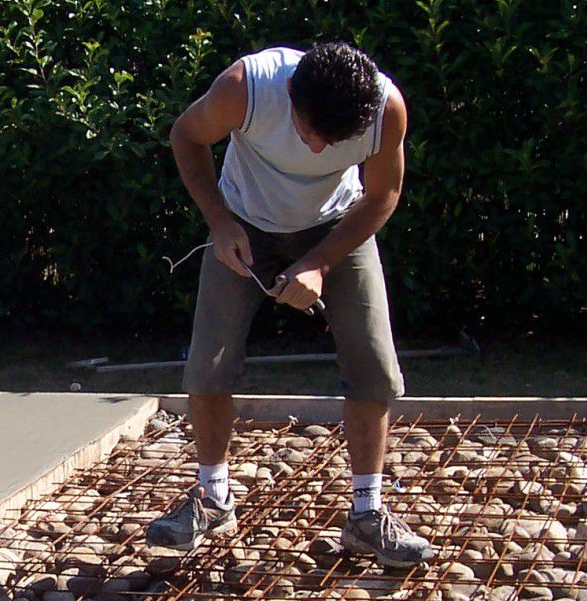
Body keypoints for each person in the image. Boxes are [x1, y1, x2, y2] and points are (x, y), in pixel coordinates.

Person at [145, 41, 433, 568]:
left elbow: (383, 193)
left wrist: (321, 264)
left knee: (374, 367)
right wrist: (220, 222)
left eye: (335, 140)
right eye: (310, 132)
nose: (320, 151)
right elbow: (185, 135)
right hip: (244, 221)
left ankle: (367, 515)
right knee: (207, 366)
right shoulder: (246, 89)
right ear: (291, 98)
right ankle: (213, 499)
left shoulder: (385, 109)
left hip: (336, 227)